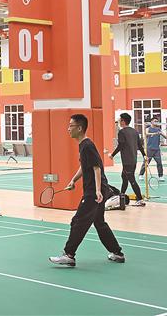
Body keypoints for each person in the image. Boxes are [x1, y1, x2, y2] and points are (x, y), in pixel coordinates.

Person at [49, 114, 124, 267]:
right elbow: (85, 166)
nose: (68, 129)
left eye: (71, 126)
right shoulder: (83, 145)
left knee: (78, 221)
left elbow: (96, 167)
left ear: (79, 128)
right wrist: (73, 180)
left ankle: (69, 255)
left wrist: (97, 190)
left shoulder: (87, 145)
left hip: (94, 192)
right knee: (99, 222)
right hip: (97, 189)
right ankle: (117, 253)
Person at [110, 113, 146, 206]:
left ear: (123, 121)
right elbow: (140, 145)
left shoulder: (122, 132)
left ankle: (140, 199)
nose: (119, 121)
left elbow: (120, 145)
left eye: (120, 120)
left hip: (127, 161)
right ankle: (121, 197)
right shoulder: (135, 131)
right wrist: (144, 155)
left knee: (131, 179)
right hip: (133, 159)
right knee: (124, 177)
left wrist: (112, 155)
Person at [139, 118, 164, 182]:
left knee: (159, 163)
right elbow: (146, 134)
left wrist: (161, 133)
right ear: (151, 122)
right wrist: (154, 133)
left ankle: (161, 176)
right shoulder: (148, 129)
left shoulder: (159, 129)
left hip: (157, 150)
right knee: (146, 163)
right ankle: (141, 174)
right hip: (149, 149)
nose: (156, 122)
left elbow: (165, 137)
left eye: (157, 121)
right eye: (155, 121)